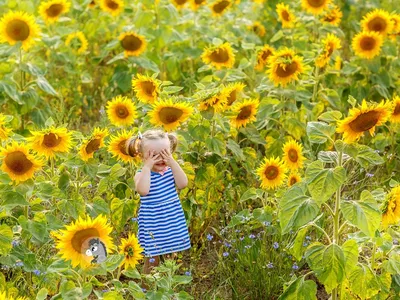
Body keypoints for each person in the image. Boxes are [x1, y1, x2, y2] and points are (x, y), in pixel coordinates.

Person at [125, 129, 191, 273]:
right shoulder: (141, 174)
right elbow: (143, 190)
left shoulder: (170, 171)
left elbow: (183, 184)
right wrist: (147, 167)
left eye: (164, 153)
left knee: (171, 256)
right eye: (154, 155)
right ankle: (147, 289)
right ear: (142, 156)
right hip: (153, 222)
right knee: (152, 259)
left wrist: (172, 162)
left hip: (171, 218)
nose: (160, 159)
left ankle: (167, 285)